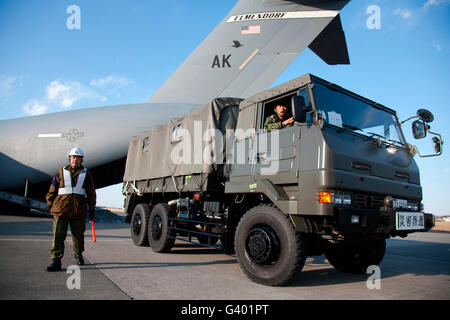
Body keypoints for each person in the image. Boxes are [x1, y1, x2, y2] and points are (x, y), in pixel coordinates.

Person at [45, 147, 96, 271]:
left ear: (81, 160)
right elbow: (53, 189)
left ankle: (78, 254)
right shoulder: (60, 172)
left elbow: (91, 192)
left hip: (78, 210)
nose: (75, 160)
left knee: (78, 236)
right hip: (60, 209)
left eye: (78, 158)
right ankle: (56, 260)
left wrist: (92, 208)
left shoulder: (86, 173)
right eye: (73, 158)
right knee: (58, 235)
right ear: (70, 158)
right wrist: (49, 203)